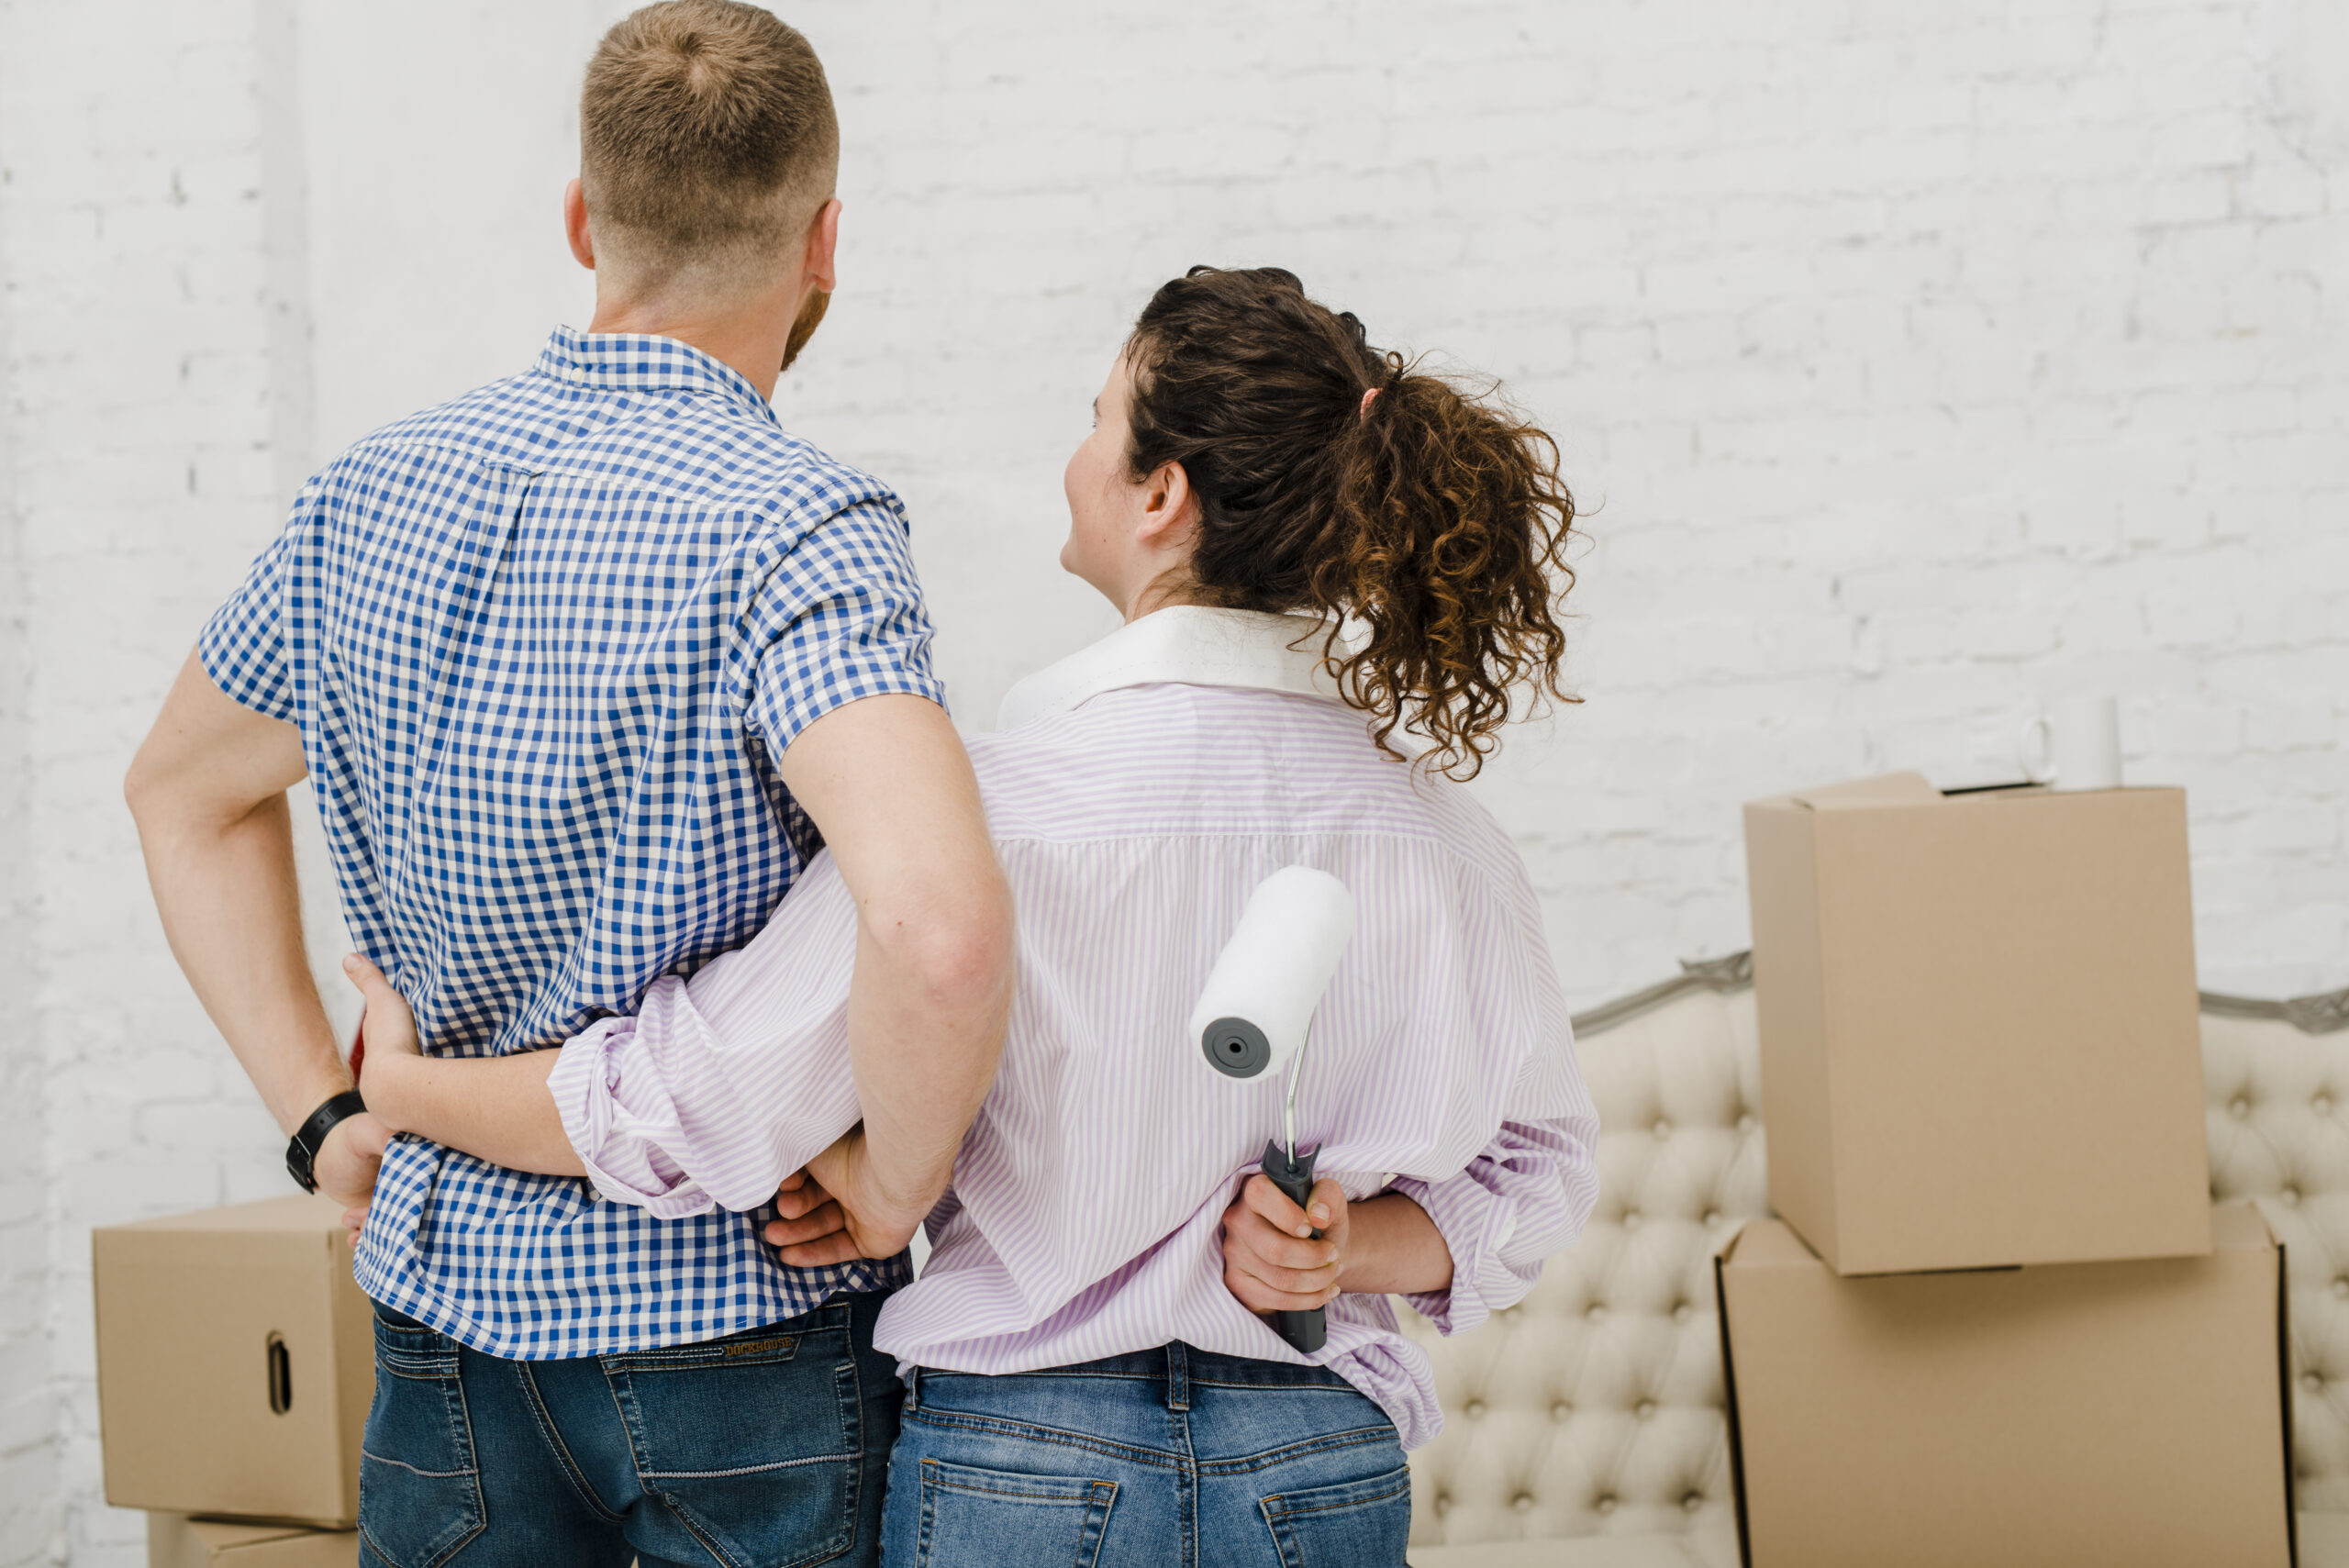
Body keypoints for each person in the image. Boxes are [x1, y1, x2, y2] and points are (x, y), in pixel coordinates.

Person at [346, 265, 1600, 1568]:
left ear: (1161, 495)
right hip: (1317, 1462)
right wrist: (1342, 1250)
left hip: (1023, 1470)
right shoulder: (1441, 835)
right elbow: (1541, 1171)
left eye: (1097, 419)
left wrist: (403, 1083)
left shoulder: (988, 805)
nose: (1076, 456)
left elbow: (689, 1100)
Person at [121, 6, 1013, 1566]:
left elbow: (180, 792)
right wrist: (891, 1187)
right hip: (745, 1328)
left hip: (445, 1330)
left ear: (584, 218)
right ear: (823, 242)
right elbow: (940, 923)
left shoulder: (366, 497)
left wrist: (322, 1113)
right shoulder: (798, 530)